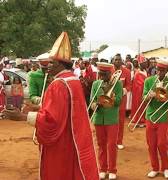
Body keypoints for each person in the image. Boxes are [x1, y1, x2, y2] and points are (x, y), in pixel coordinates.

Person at [2, 32, 99, 180]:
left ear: (60, 64)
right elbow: (63, 110)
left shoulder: (58, 84)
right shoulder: (73, 80)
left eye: (51, 63)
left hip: (62, 144)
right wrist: (38, 107)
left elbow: (52, 121)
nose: (48, 66)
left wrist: (22, 116)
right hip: (74, 138)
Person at [90, 62, 123, 180]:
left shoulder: (118, 84)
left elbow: (119, 101)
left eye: (104, 74)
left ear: (110, 73)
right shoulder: (95, 84)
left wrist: (112, 98)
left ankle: (112, 169)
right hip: (98, 119)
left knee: (111, 145)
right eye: (100, 73)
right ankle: (102, 169)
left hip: (111, 119)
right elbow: (91, 100)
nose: (101, 76)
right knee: (101, 145)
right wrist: (95, 105)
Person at [143, 59, 168, 179]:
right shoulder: (149, 81)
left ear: (167, 71)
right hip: (150, 115)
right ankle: (155, 168)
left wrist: (164, 95)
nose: (160, 72)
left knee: (162, 143)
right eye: (158, 70)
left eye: (163, 70)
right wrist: (149, 95)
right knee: (151, 144)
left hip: (162, 117)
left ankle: (165, 168)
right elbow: (143, 98)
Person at [112, 54, 131, 150]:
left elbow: (129, 85)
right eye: (116, 60)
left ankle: (119, 141)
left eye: (119, 60)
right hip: (110, 98)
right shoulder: (109, 71)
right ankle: (111, 140)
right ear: (113, 61)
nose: (118, 61)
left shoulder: (127, 71)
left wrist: (123, 91)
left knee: (120, 120)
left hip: (122, 100)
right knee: (111, 120)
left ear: (122, 61)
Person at [131, 54, 148, 127]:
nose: (146, 64)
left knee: (143, 106)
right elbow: (141, 84)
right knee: (139, 106)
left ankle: (143, 119)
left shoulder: (145, 71)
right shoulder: (138, 73)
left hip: (143, 92)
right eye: (145, 63)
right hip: (139, 93)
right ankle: (139, 120)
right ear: (141, 64)